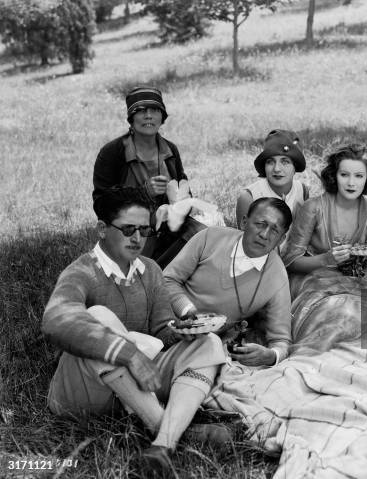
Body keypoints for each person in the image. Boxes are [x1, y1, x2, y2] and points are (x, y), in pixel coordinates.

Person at [42, 187, 228, 474]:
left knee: (210, 343)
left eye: (144, 230)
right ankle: (165, 426)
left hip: (139, 386)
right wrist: (129, 354)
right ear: (102, 229)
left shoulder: (151, 270)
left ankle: (163, 446)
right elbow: (55, 320)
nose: (138, 239)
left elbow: (161, 333)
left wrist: (181, 331)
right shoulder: (81, 271)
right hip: (83, 394)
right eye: (128, 229)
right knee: (98, 316)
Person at [164, 197, 293, 366]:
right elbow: (167, 279)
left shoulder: (277, 275)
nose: (264, 234)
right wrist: (188, 311)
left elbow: (281, 339)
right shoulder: (210, 237)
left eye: (274, 231)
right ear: (244, 222)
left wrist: (271, 356)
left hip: (209, 345)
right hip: (166, 322)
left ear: (281, 240)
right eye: (260, 224)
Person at [281, 144, 367, 352]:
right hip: (311, 281)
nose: (351, 182)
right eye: (344, 174)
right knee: (338, 316)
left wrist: (366, 262)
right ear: (333, 176)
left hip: (352, 282)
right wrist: (326, 260)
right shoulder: (313, 208)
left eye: (359, 176)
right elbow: (290, 262)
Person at [92, 86, 205, 269]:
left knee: (204, 239)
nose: (148, 116)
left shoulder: (170, 150)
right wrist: (144, 192)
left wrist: (178, 204)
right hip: (128, 232)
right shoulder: (112, 153)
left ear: (162, 117)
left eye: (154, 110)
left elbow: (184, 190)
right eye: (141, 111)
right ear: (131, 118)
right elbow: (101, 203)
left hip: (167, 230)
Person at [235, 129, 309, 234]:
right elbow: (246, 243)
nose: (277, 169)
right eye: (270, 162)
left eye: (285, 162)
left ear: (295, 166)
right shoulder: (249, 197)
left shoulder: (302, 190)